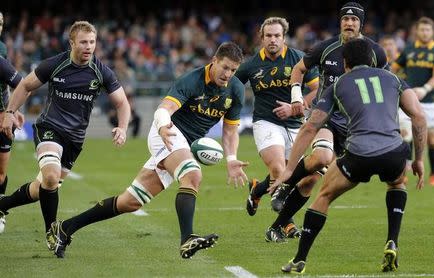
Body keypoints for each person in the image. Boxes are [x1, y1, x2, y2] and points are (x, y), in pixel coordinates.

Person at [48, 42, 249, 259]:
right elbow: (164, 109)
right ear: (214, 60)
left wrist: (231, 159)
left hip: (185, 145)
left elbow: (230, 131)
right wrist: (163, 126)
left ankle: (65, 228)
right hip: (167, 133)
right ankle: (187, 238)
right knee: (192, 174)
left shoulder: (236, 89)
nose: (228, 74)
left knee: (129, 202)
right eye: (225, 67)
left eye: (233, 70)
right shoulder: (192, 80)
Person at [275, 38, 427, 274]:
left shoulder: (338, 85)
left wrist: (289, 170)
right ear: (373, 60)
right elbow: (418, 116)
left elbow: (310, 127)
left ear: (345, 62)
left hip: (359, 155)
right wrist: (418, 159)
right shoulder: (394, 79)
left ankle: (299, 259)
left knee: (324, 195)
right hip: (394, 153)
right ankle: (392, 241)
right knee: (397, 183)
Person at [0, 21, 131, 248]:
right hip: (50, 128)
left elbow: (122, 103)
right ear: (72, 43)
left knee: (43, 187)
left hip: (75, 140)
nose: (88, 46)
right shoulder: (55, 64)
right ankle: (53, 233)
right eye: (83, 42)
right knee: (50, 178)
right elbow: (25, 86)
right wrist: (10, 112)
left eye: (92, 42)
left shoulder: (101, 71)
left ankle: (3, 204)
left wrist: (122, 127)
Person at [266, 2, 389, 242]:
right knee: (321, 157)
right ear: (340, 22)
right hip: (326, 117)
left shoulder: (375, 52)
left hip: (354, 125)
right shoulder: (326, 47)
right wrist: (295, 97)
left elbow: (384, 84)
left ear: (361, 24)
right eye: (345, 19)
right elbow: (299, 69)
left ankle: (276, 226)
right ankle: (284, 183)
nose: (349, 23)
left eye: (354, 20)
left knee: (312, 181)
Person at [234, 17, 319, 240]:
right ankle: (286, 223)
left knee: (304, 179)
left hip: (296, 125)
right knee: (279, 168)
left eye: (277, 36)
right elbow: (230, 86)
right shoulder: (251, 65)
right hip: (266, 122)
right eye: (268, 36)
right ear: (261, 38)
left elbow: (317, 90)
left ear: (284, 38)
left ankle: (258, 189)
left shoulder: (299, 59)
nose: (273, 40)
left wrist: (295, 108)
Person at [392, 17, 434, 186]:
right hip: (409, 99)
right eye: (421, 29)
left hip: (429, 100)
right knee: (406, 135)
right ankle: (406, 170)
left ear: (433, 32)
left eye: (427, 30)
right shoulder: (408, 50)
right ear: (416, 31)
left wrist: (425, 89)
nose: (424, 32)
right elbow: (394, 68)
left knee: (430, 139)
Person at [379, 35, 413, 174]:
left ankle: (407, 162)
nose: (388, 47)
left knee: (406, 134)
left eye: (391, 44)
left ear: (396, 46)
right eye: (385, 44)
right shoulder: (378, 63)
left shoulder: (404, 61)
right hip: (385, 104)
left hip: (401, 102)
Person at [0, 56, 25, 233]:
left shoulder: (1, 61)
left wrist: (11, 111)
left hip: (2, 121)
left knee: (1, 174)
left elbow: (23, 85)